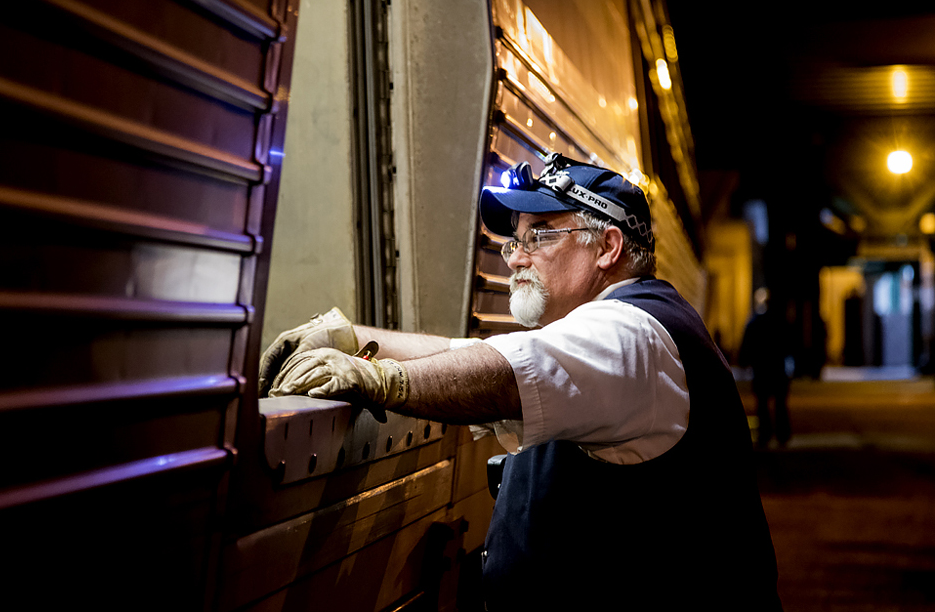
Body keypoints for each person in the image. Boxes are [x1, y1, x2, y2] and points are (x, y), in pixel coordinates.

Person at [261, 153, 782, 610]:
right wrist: (351, 337)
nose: (516, 257)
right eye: (514, 240)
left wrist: (379, 379)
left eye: (540, 235)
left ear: (608, 247)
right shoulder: (621, 329)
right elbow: (466, 354)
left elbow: (505, 374)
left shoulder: (631, 333)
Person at [739, 288, 793, 448]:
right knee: (780, 404)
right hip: (777, 368)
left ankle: (765, 433)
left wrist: (744, 361)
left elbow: (747, 345)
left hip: (761, 369)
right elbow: (788, 345)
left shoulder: (755, 322)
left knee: (762, 404)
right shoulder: (781, 322)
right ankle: (782, 434)